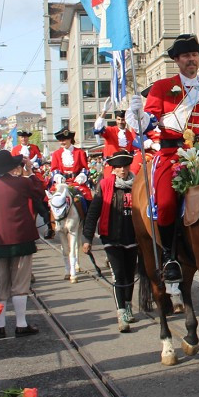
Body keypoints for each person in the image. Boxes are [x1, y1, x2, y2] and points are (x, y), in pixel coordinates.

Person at [129, 33, 199, 282]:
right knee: (165, 203)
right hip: (172, 154)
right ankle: (168, 254)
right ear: (177, 60)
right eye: (186, 55)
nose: (191, 60)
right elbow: (149, 121)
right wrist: (138, 116)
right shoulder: (162, 87)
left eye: (195, 55)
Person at [0, 152, 45, 339]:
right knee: (20, 284)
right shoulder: (22, 182)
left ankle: (0, 325)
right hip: (22, 239)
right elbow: (40, 191)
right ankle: (21, 324)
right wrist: (30, 172)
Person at [81, 151, 139, 333]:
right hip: (111, 236)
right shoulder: (105, 185)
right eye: (119, 167)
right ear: (113, 169)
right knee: (119, 274)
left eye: (125, 166)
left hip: (133, 236)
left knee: (130, 275)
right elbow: (93, 213)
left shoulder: (137, 185)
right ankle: (121, 312)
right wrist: (87, 238)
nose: (122, 170)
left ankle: (128, 304)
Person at [92, 109, 138, 178]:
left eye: (122, 120)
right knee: (105, 184)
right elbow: (98, 128)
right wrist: (104, 111)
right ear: (116, 120)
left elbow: (132, 153)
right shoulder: (110, 130)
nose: (120, 122)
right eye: (118, 119)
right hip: (111, 167)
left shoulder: (130, 134)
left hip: (125, 169)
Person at [47, 129, 91, 202]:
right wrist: (57, 176)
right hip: (61, 183)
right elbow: (54, 169)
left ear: (70, 139)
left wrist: (82, 175)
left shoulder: (80, 152)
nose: (62, 142)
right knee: (49, 199)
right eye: (60, 140)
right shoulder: (56, 154)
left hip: (76, 182)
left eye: (64, 140)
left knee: (87, 197)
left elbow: (85, 168)